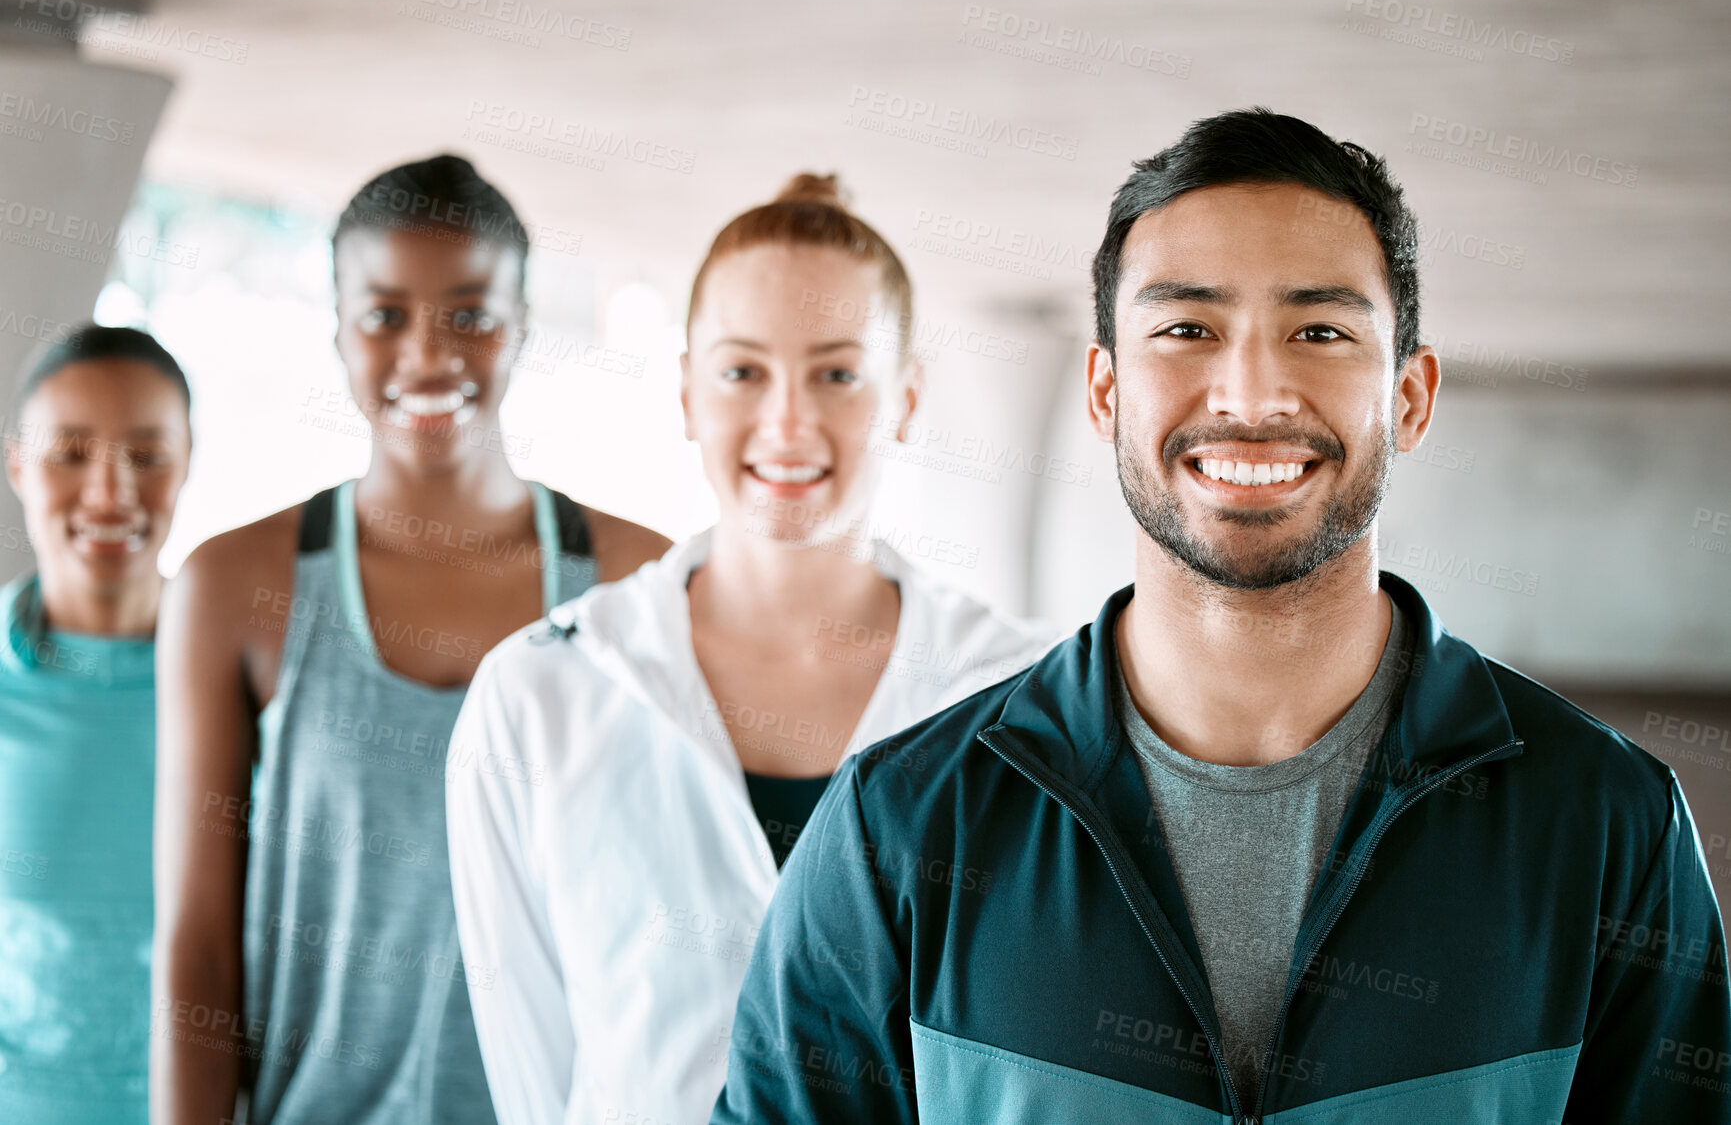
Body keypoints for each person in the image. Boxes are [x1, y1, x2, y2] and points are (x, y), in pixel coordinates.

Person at [712, 110, 1731, 1124]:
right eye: (1187, 329)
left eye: (1321, 331)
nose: (1252, 391)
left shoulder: (1608, 825)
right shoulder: (898, 830)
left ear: (1411, 397)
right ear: (1106, 390)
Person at [445, 172, 1059, 1125]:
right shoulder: (541, 691)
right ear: (687, 389)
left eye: (837, 372)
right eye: (741, 371)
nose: (787, 421)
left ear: (905, 395)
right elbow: (534, 1078)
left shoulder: (1020, 698)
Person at [151, 154, 670, 1125]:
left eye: (470, 315)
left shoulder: (636, 581)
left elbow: (676, 919)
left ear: (521, 329)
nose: (428, 355)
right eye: (385, 315)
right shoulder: (238, 585)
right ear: (339, 333)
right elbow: (198, 946)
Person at [0, 325, 193, 1124]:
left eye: (147, 456)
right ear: (17, 466)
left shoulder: (253, 694)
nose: (111, 494)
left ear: (187, 464)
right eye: (71, 453)